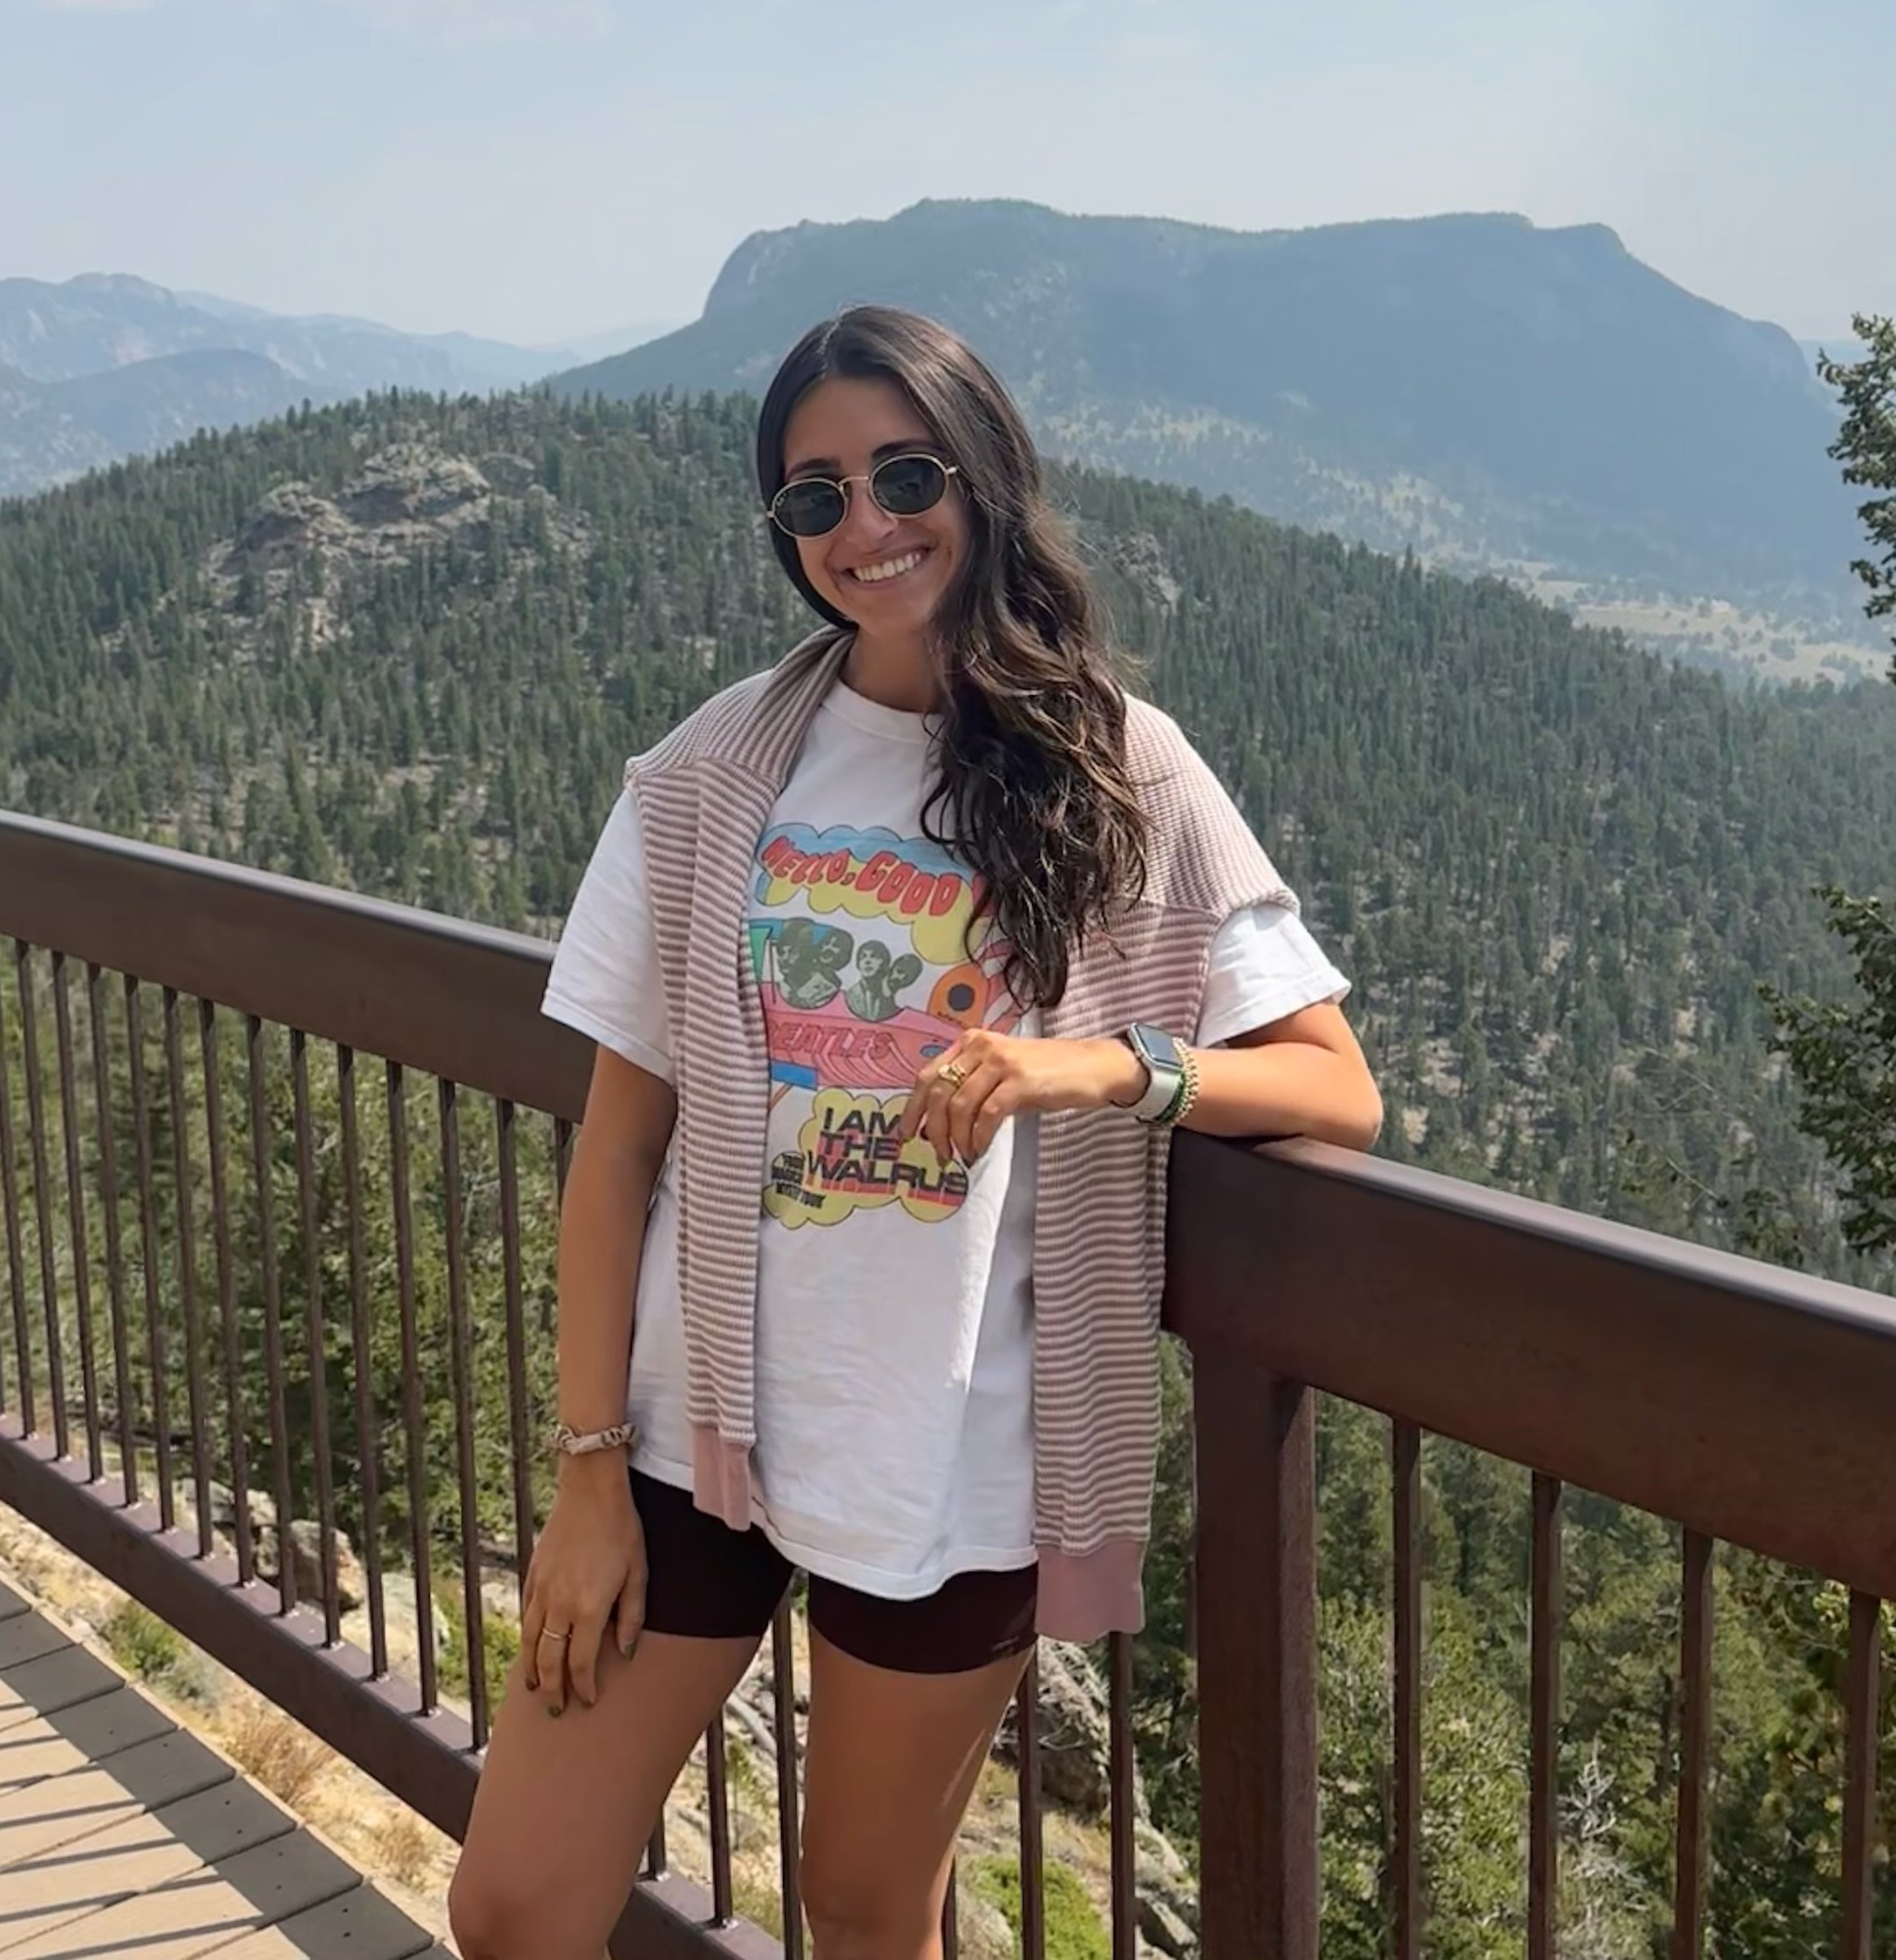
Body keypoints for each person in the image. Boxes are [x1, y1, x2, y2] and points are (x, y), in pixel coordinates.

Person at [448, 306, 1380, 1960]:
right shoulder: (709, 775)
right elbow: (616, 1151)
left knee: (871, 1912)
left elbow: (1333, 1087)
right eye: (816, 497)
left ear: (983, 475)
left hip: (952, 1462)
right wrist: (585, 1477)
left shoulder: (1123, 772)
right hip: (687, 1435)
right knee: (515, 1904)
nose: (866, 525)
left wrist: (1102, 1069)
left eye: (904, 474)